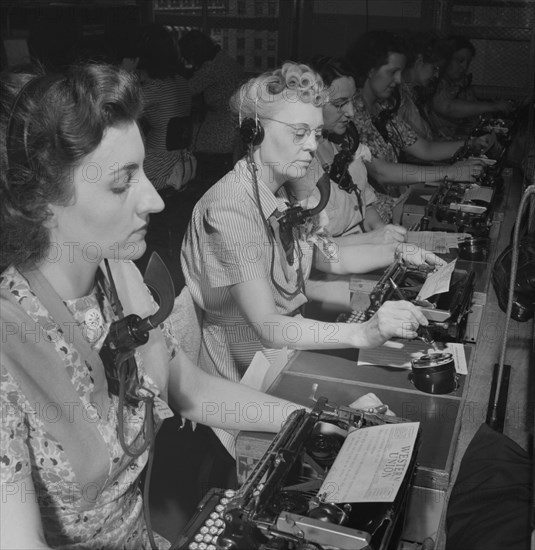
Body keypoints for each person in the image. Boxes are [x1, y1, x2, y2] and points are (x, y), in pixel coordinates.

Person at [0, 62, 304, 550]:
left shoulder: (116, 272)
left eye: (142, 170)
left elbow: (186, 387)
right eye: (122, 183)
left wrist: (306, 420)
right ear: (40, 199)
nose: (155, 200)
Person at [180, 62, 444, 446]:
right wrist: (363, 332)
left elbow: (328, 256)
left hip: (283, 354)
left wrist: (398, 253)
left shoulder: (284, 185)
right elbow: (268, 325)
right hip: (244, 380)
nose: (310, 145)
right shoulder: (230, 208)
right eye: (300, 133)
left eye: (315, 133)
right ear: (254, 132)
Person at [346, 30, 490, 222]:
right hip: (369, 218)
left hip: (393, 206)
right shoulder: (350, 112)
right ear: (370, 70)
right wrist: (450, 172)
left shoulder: (383, 109)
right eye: (392, 72)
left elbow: (425, 148)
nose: (398, 80)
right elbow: (381, 172)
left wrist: (471, 143)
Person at [291, 55, 407, 247]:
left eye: (352, 101)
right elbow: (312, 246)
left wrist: (385, 234)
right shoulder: (296, 165)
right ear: (309, 103)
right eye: (339, 104)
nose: (351, 112)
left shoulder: (346, 144)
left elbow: (365, 207)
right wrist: (371, 240)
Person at [179, 29, 244, 186]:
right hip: (234, 127)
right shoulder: (225, 59)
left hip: (219, 131)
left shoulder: (211, 68)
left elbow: (187, 90)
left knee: (191, 151)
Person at [135, 24, 195, 192]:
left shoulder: (155, 88)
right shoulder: (181, 81)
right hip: (183, 159)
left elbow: (117, 108)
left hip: (159, 164)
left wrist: (125, 71)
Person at [427, 35, 515, 139]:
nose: (464, 67)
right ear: (445, 59)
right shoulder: (434, 81)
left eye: (467, 63)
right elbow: (448, 107)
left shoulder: (461, 83)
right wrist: (494, 106)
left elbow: (475, 114)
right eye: (460, 60)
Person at [399, 31, 445, 141]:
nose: (437, 75)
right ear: (419, 61)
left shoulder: (412, 93)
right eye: (435, 68)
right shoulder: (401, 96)